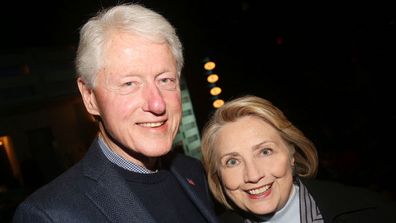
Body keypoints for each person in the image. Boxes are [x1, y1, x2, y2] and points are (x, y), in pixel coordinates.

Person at [13, 4, 219, 223]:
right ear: (90, 97)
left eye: (165, 80)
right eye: (129, 83)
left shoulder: (193, 171)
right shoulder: (49, 216)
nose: (157, 104)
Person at [200, 95, 396, 223]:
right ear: (218, 174)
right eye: (232, 161)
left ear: (291, 154)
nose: (253, 175)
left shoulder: (371, 212)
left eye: (265, 152)